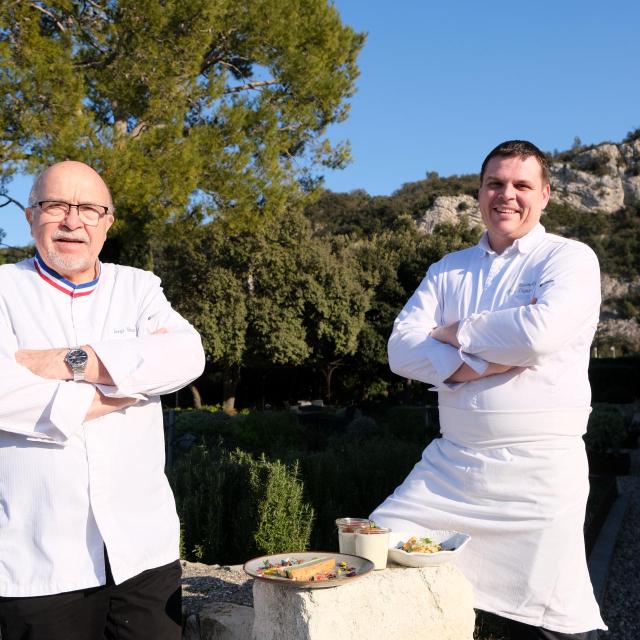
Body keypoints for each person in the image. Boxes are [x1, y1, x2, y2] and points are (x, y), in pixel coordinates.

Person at [370, 141, 606, 639]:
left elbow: (540, 334)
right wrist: (487, 361)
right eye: (495, 184)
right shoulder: (448, 269)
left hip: (540, 475)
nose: (507, 195)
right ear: (479, 193)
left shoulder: (569, 259)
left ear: (545, 195)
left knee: (547, 621)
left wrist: (456, 332)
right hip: (450, 468)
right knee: (377, 546)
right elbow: (401, 351)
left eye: (522, 185)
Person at [0, 161, 205, 640]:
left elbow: (186, 354)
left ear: (107, 222)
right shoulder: (3, 289)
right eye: (56, 206)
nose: (73, 221)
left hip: (143, 553)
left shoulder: (138, 288)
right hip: (40, 559)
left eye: (89, 209)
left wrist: (72, 362)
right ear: (30, 217)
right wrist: (127, 383)